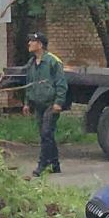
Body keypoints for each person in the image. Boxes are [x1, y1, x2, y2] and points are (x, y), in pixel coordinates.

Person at [22, 32, 68, 177]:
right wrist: (27, 103)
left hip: (50, 103)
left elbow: (61, 83)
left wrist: (58, 102)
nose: (29, 43)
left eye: (32, 41)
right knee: (46, 135)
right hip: (38, 104)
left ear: (40, 45)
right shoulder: (31, 63)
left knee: (46, 133)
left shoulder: (53, 61)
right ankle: (55, 164)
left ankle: (42, 165)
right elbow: (29, 84)